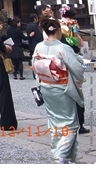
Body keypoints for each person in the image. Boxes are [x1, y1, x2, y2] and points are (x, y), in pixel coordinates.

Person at [32, 15, 85, 163]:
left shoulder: (39, 46)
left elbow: (35, 66)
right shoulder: (63, 47)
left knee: (55, 121)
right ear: (58, 31)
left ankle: (60, 153)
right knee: (70, 123)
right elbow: (77, 69)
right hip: (63, 89)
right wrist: (78, 77)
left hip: (46, 87)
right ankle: (61, 156)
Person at [26, 13, 44, 79]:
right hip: (36, 45)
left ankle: (34, 74)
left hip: (31, 44)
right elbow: (38, 36)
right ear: (34, 19)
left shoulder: (27, 26)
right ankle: (38, 74)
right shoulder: (35, 26)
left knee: (33, 59)